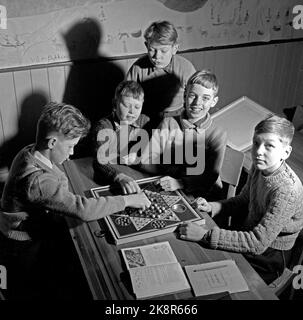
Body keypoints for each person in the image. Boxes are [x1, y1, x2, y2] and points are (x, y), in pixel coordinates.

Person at [0, 102, 150, 299]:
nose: (72, 153)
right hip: (22, 245)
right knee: (30, 291)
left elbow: (55, 177)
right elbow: (83, 209)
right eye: (70, 147)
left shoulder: (29, 150)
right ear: (52, 143)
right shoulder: (38, 181)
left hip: (20, 230)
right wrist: (127, 200)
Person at [178, 115, 303, 285]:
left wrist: (205, 235)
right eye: (256, 143)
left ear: (286, 152)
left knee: (210, 280)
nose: (259, 151)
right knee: (191, 258)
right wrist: (212, 206)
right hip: (248, 233)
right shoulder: (261, 165)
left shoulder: (287, 190)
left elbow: (258, 243)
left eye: (269, 146)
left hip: (268, 256)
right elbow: (243, 200)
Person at [140, 70, 227, 199]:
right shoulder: (168, 123)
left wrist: (180, 181)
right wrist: (178, 174)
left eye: (205, 98)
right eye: (192, 95)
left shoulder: (217, 134)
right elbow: (146, 161)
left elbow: (209, 176)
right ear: (185, 96)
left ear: (214, 101)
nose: (197, 103)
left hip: (202, 196)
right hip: (168, 187)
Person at [126, 20, 196, 127]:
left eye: (163, 51)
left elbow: (194, 100)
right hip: (147, 116)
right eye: (152, 50)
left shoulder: (186, 68)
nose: (157, 57)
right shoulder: (137, 69)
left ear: (175, 49)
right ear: (146, 45)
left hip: (177, 117)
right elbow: (127, 99)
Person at [93, 80, 151, 194]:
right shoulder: (104, 126)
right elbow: (100, 160)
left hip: (138, 177)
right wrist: (119, 177)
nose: (131, 112)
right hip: (112, 179)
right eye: (126, 105)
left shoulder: (145, 122)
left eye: (137, 107)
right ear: (115, 103)